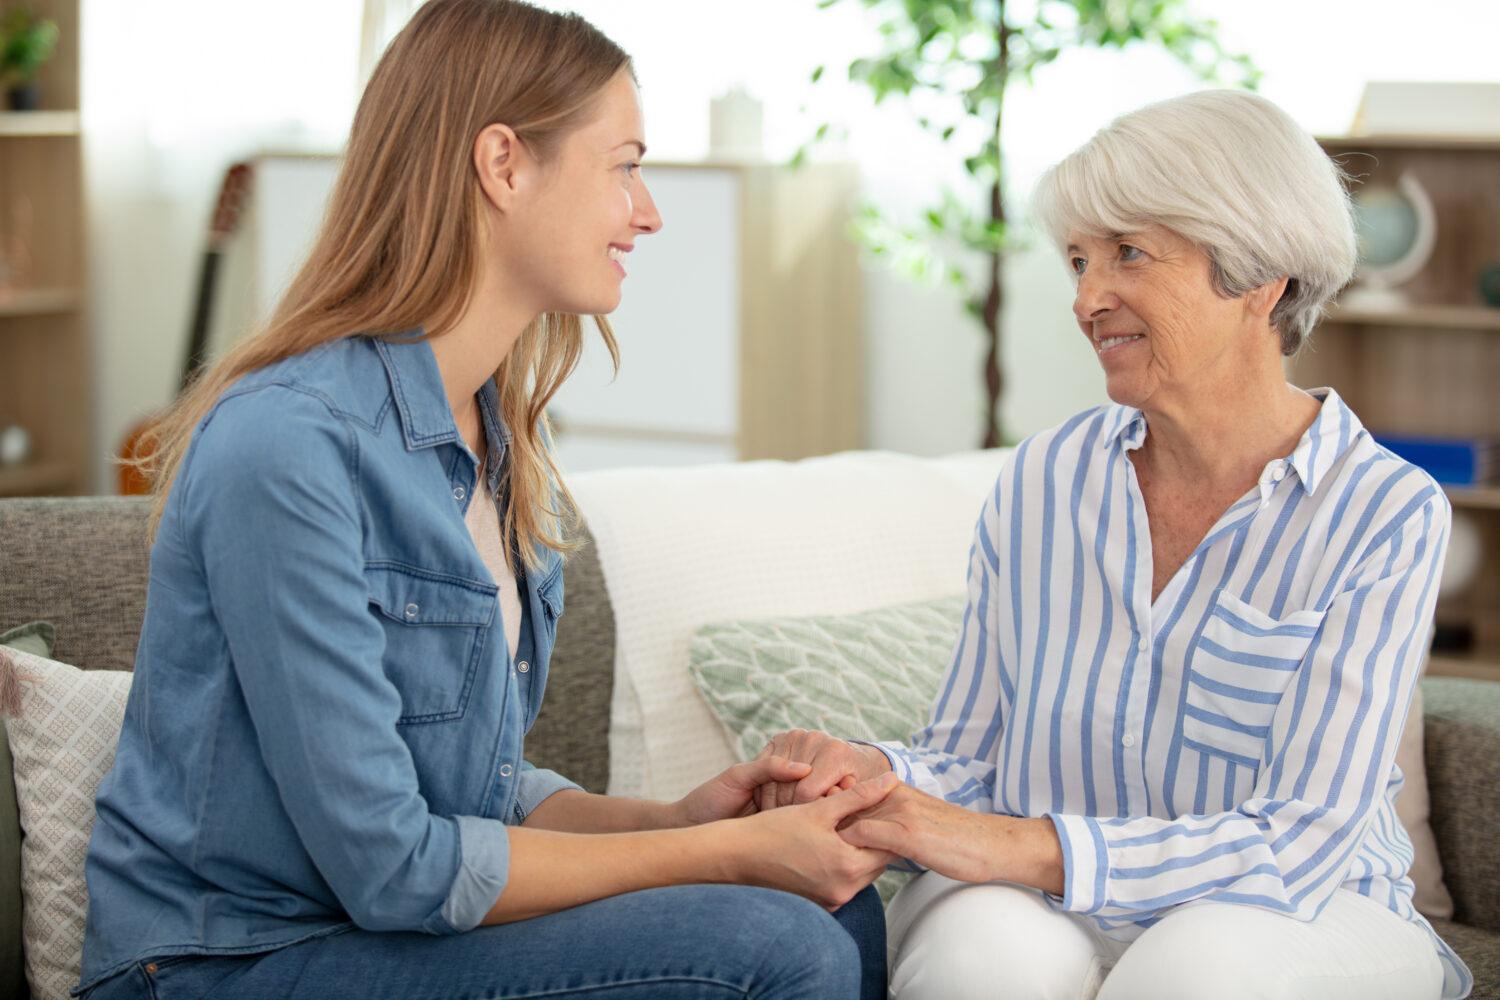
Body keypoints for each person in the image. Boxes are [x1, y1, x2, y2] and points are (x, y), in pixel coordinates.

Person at [75, 3, 895, 998]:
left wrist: (690, 817)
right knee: (783, 946)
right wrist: (728, 857)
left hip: (378, 938)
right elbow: (394, 862)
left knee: (837, 911)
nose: (648, 212)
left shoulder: (494, 438)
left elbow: (478, 796)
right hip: (229, 959)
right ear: (504, 165)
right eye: (625, 165)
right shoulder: (288, 446)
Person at [755, 89, 1471, 1000]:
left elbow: (1302, 834)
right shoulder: (1045, 478)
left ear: (1263, 275)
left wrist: (1022, 845)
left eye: (1129, 254)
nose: (1089, 299)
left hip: (1305, 906)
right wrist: (876, 775)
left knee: (1196, 968)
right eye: (1079, 261)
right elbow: (974, 754)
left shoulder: (1385, 511)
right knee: (982, 954)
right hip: (1053, 893)